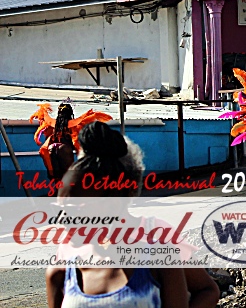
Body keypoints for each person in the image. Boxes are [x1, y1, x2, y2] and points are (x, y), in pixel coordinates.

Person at [48, 121, 190, 307]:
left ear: (112, 205)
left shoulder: (160, 260)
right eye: (60, 209)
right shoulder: (61, 272)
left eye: (75, 209)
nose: (62, 220)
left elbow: (206, 289)